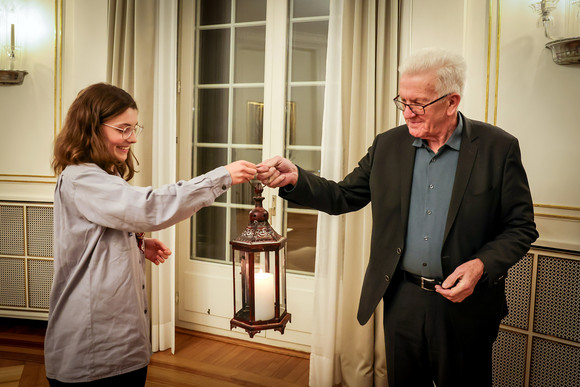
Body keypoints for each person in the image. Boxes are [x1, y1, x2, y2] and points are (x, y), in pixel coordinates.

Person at [256, 48, 538, 386]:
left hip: (466, 305)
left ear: (452, 102)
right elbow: (343, 195)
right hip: (401, 299)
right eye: (402, 101)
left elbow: (521, 227)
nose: (407, 113)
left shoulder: (498, 147)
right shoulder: (388, 145)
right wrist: (297, 179)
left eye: (418, 103)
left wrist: (481, 265)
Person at [45, 82, 256, 385]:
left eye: (134, 128)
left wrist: (134, 244)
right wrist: (219, 177)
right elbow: (148, 208)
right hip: (94, 351)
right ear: (92, 128)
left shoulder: (104, 174)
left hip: (120, 347)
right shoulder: (82, 178)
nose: (131, 138)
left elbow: (97, 232)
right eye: (123, 129)